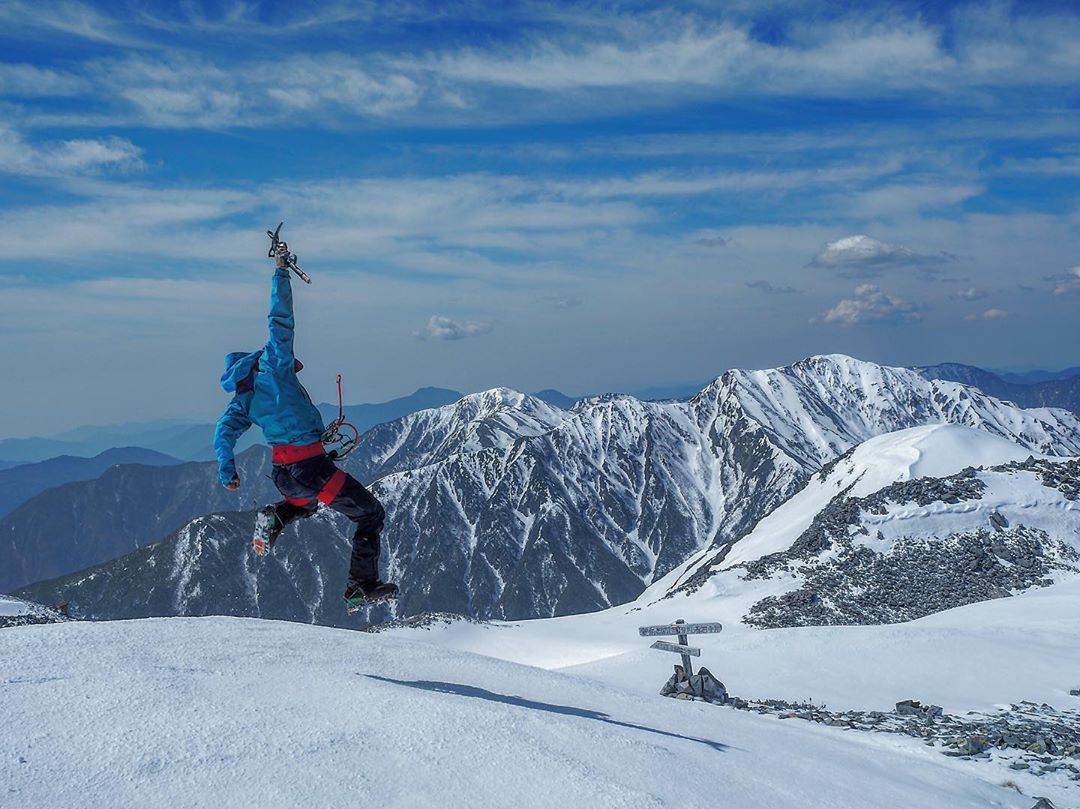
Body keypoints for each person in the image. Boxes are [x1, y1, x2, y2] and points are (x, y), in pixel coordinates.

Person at [213, 242, 397, 610]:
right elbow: (279, 320)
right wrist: (281, 271)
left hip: (285, 473)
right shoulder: (273, 364)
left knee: (308, 504)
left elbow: (223, 433)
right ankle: (360, 586)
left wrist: (227, 470)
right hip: (309, 467)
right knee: (370, 514)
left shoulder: (243, 400)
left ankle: (277, 514)